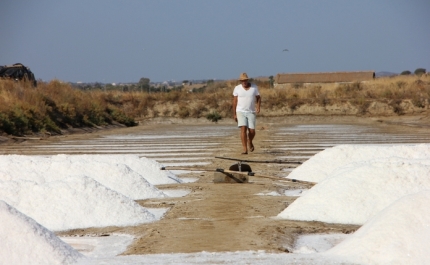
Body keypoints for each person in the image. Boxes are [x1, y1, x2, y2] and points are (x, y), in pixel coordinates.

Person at [232, 73, 261, 154]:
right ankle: (245, 149)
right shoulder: (237, 88)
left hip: (251, 111)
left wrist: (258, 107)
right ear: (240, 81)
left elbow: (258, 98)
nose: (244, 82)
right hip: (240, 111)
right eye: (242, 80)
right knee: (243, 129)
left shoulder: (254, 87)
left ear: (247, 80)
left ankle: (250, 141)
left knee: (252, 131)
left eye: (245, 80)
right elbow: (234, 102)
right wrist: (234, 114)